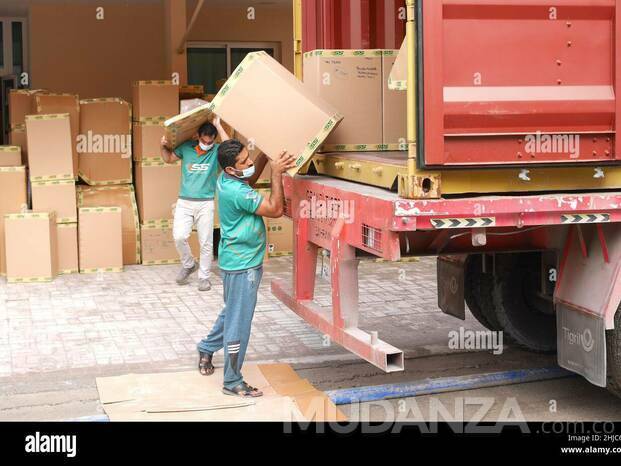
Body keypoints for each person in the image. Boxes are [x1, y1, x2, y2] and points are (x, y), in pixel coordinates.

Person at [196, 139, 296, 397]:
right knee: (238, 324)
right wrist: (276, 172)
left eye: (249, 157)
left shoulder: (226, 179)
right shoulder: (237, 192)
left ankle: (206, 347)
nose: (250, 163)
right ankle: (232, 381)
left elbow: (248, 179)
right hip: (243, 266)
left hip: (236, 261)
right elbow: (275, 210)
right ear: (231, 169)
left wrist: (264, 153)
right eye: (245, 162)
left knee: (232, 313)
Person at [160, 117, 230, 291]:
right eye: (204, 140)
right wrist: (161, 146)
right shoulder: (186, 148)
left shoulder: (216, 152)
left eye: (210, 141)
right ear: (198, 136)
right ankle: (189, 263)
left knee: (206, 242)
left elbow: (230, 148)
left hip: (205, 203)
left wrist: (219, 126)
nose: (207, 144)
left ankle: (204, 277)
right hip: (184, 202)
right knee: (179, 236)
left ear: (214, 140)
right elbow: (168, 158)